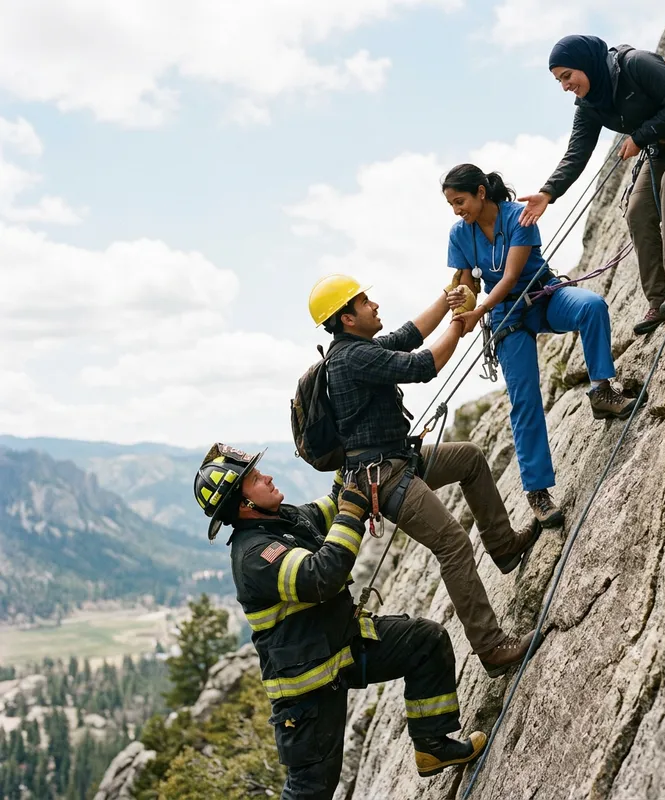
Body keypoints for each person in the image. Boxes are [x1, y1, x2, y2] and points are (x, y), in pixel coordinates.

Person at [193, 443, 487, 800]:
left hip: (345, 650)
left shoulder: (287, 518)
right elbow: (320, 577)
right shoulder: (255, 555)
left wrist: (352, 456)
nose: (267, 477)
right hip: (308, 694)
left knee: (426, 642)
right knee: (311, 790)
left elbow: (336, 501)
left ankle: (432, 746)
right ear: (244, 505)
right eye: (255, 478)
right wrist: (350, 515)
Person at [308, 274, 536, 678]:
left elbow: (409, 334)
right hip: (384, 477)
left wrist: (448, 302)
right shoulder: (352, 359)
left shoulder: (357, 349)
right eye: (364, 303)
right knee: (452, 544)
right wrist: (458, 323)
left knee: (468, 458)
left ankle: (502, 546)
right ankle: (491, 647)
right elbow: (422, 365)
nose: (374, 306)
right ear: (346, 318)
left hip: (395, 461)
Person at [442, 164, 636, 525]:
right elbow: (468, 283)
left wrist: (479, 307)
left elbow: (512, 275)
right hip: (506, 318)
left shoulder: (519, 216)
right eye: (452, 204)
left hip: (542, 296)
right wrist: (462, 302)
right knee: (525, 399)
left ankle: (601, 390)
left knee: (591, 307)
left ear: (481, 192)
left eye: (460, 201)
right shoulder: (460, 234)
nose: (457, 210)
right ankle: (538, 492)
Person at [519, 35, 665, 335]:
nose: (565, 86)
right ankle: (658, 299)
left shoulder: (636, 64)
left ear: (586, 64)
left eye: (567, 76)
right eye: (559, 81)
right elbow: (577, 153)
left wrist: (638, 137)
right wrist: (547, 193)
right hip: (664, 144)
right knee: (637, 209)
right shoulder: (589, 105)